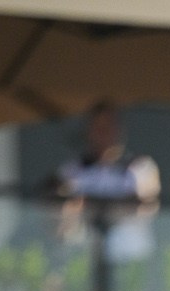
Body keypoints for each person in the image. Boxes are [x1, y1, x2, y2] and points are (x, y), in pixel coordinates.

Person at [55, 103, 160, 267]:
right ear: (88, 130)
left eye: (109, 126)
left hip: (130, 258)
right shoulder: (72, 171)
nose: (103, 132)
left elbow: (146, 204)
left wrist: (90, 204)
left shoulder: (141, 168)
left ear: (120, 129)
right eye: (98, 126)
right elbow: (65, 212)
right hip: (84, 260)